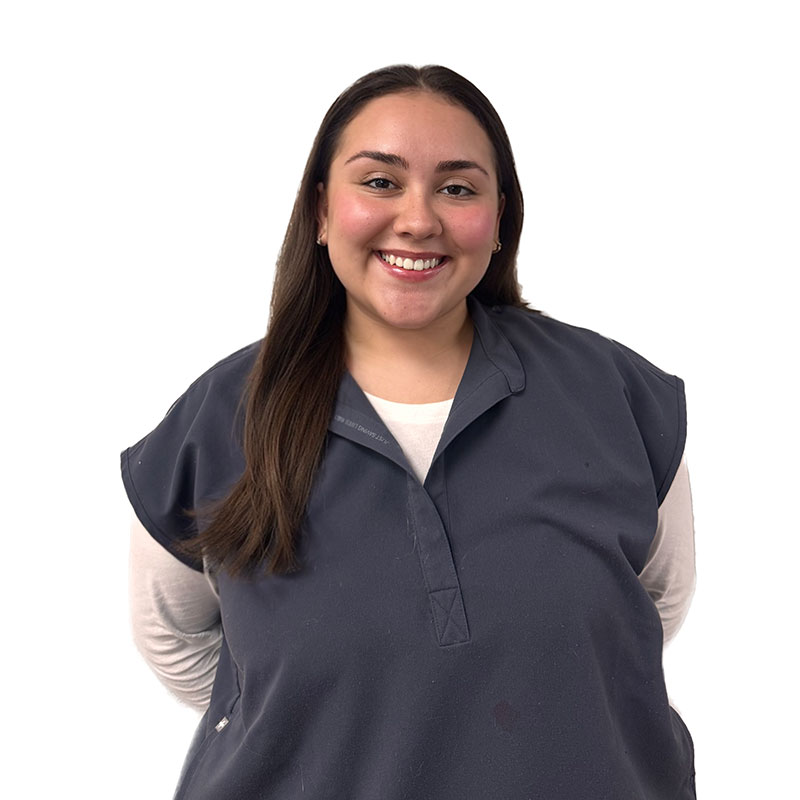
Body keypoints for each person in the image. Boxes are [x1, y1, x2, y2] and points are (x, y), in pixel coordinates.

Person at [123, 64, 697, 799]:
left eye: (457, 188)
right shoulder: (218, 418)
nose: (419, 219)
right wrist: (315, 723)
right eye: (380, 182)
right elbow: (172, 638)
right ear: (321, 210)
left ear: (500, 220)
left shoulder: (614, 395)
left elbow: (647, 614)